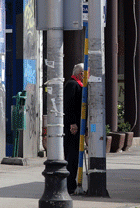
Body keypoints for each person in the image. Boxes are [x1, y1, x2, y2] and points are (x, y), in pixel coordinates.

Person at [64, 63, 84, 194]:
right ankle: (69, 185)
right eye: (84, 73)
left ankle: (72, 183)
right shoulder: (72, 85)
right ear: (79, 74)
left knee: (75, 155)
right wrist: (73, 123)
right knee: (71, 156)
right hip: (73, 127)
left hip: (77, 125)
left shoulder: (78, 85)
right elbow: (69, 106)